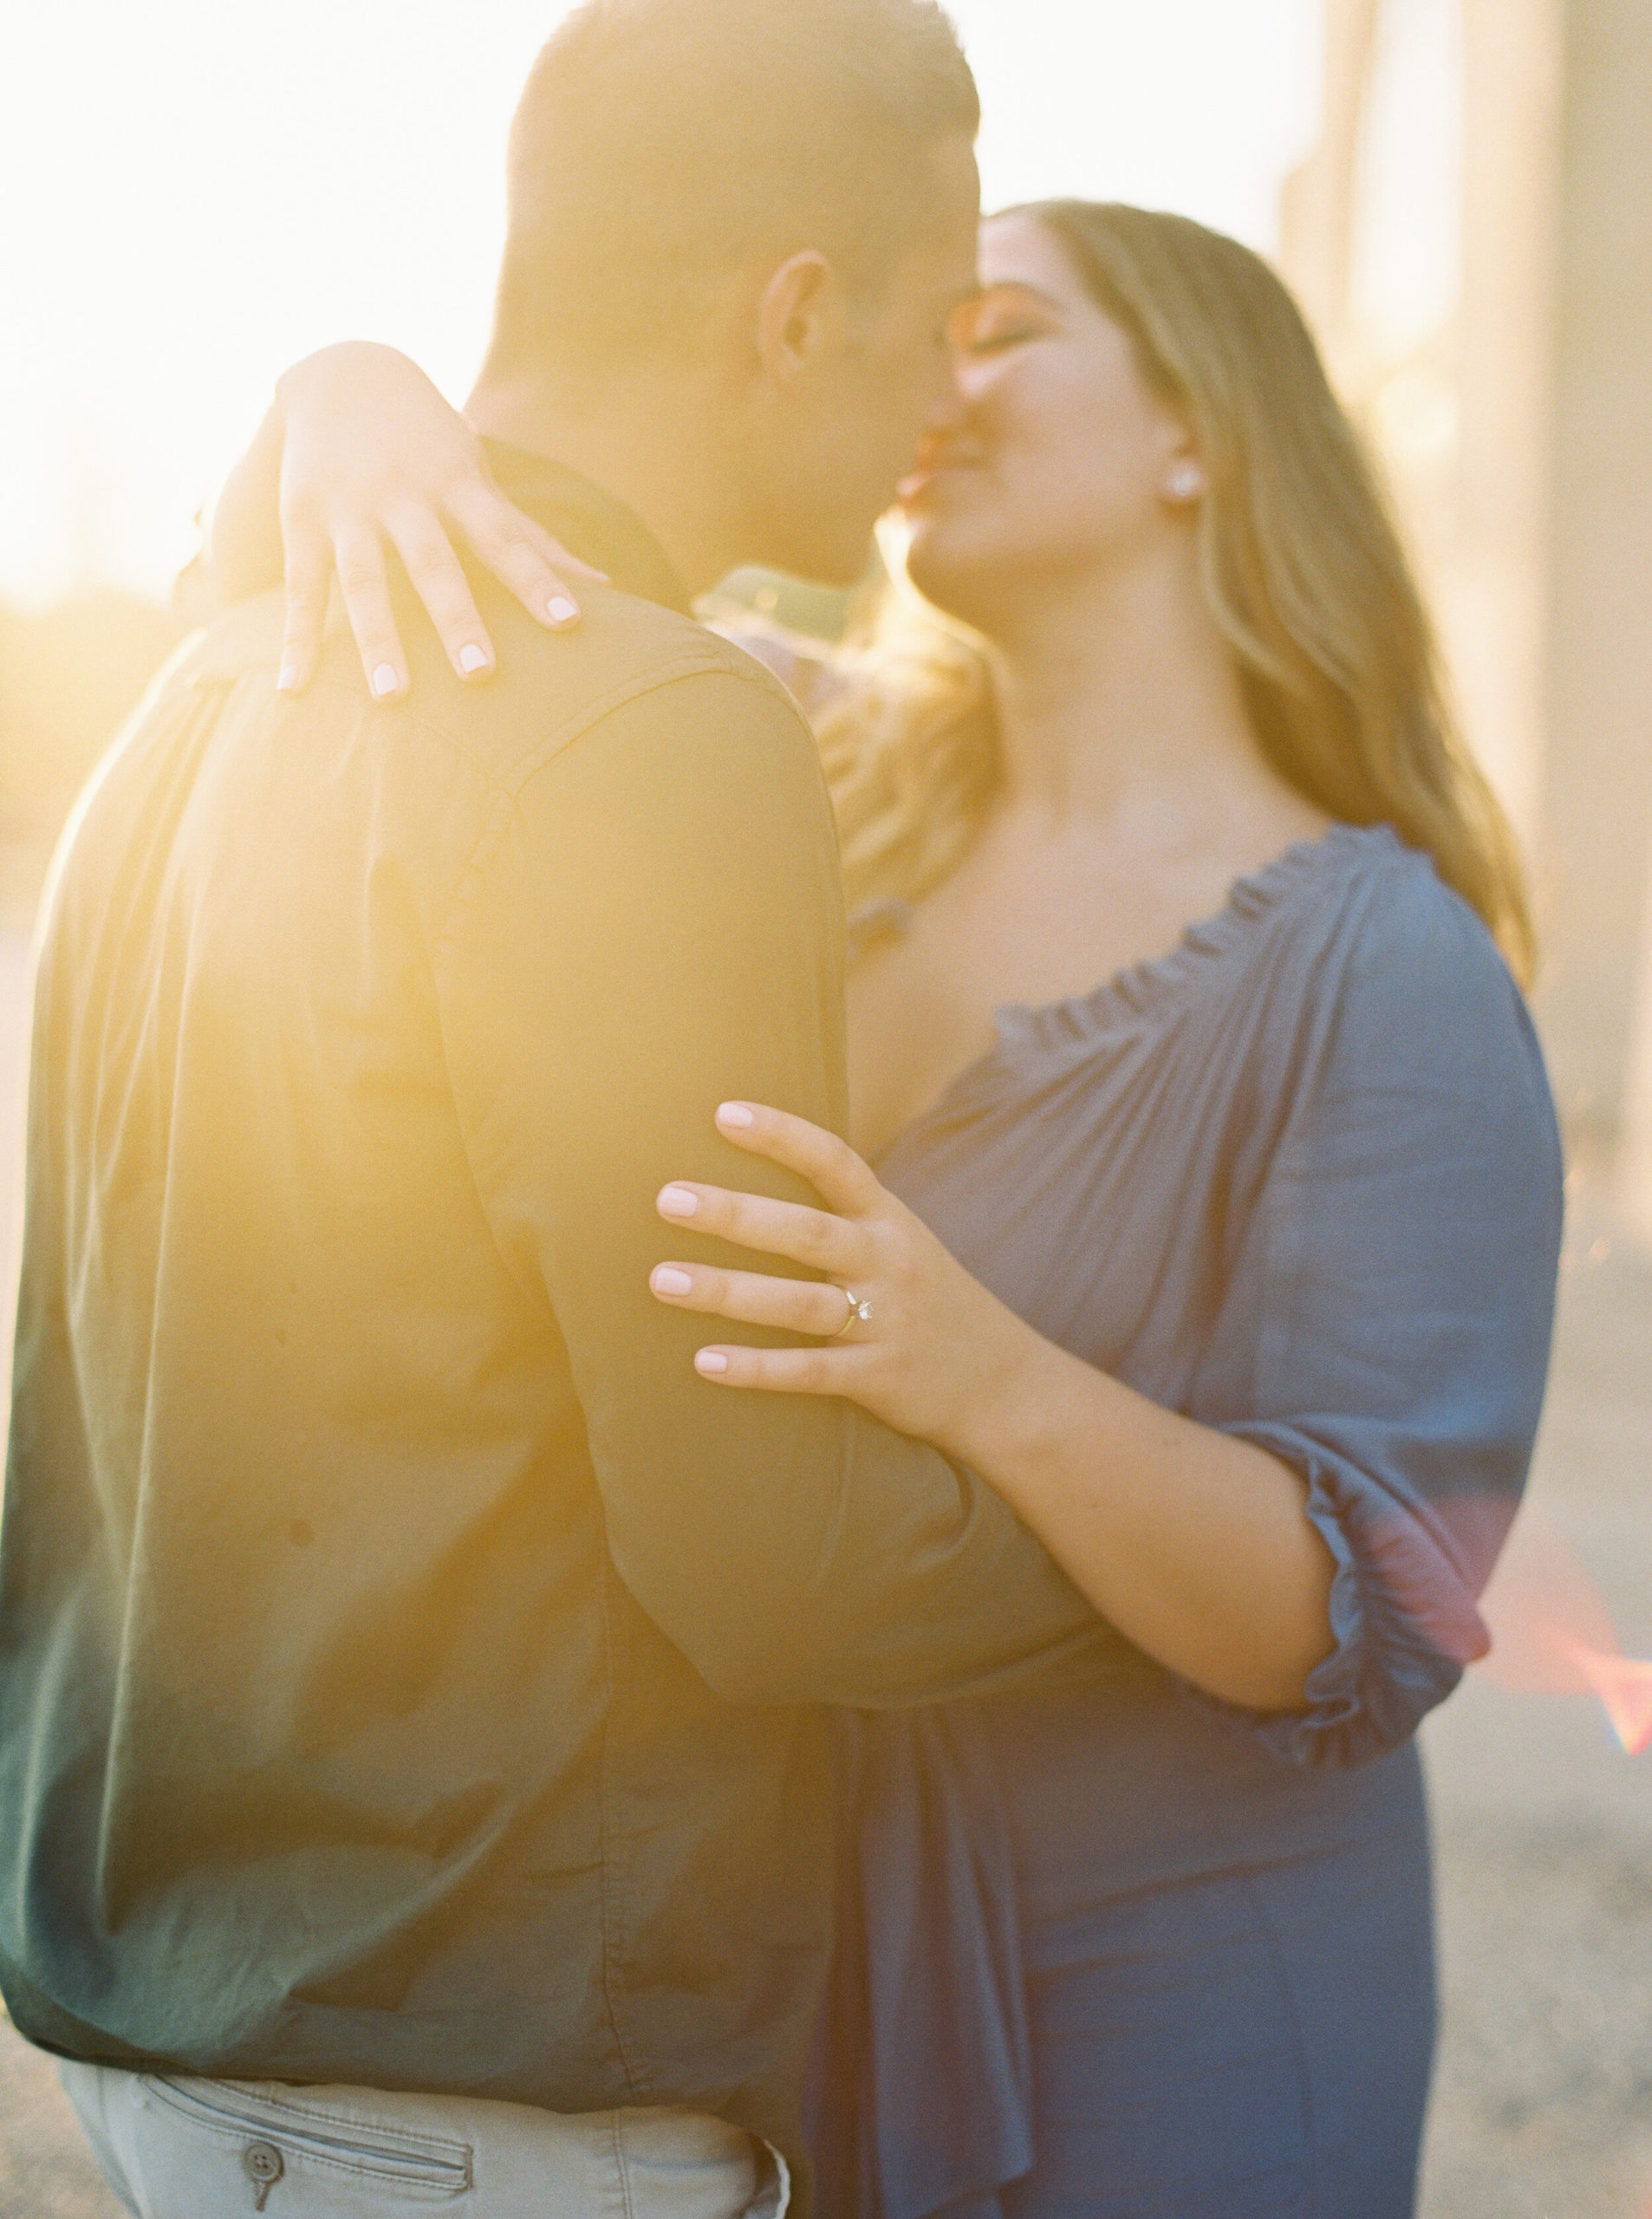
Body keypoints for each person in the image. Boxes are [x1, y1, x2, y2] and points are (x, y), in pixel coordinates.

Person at [232, 201, 1564, 2216]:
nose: (925, 375)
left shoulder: (1387, 966)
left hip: (1179, 1979)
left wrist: (980, 1372)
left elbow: (1370, 1603)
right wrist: (346, 401)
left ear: (1200, 434)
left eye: (1002, 327)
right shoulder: (795, 756)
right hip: (788, 1935)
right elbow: (462, 583)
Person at [0, 11, 1156, 2218]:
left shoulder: (193, 685)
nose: (942, 407)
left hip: (182, 2047)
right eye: (930, 328)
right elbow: (765, 1551)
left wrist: (322, 384)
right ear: (794, 310)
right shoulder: (650, 722)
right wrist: (1201, 1545)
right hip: (474, 2098)